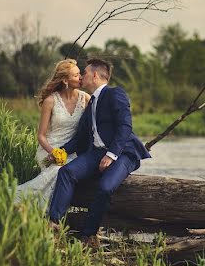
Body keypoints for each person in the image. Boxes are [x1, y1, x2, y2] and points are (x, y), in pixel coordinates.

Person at [47, 58, 151, 247]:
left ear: (95, 75)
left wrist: (111, 155)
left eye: (84, 73)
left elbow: (125, 126)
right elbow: (79, 139)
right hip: (96, 153)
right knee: (67, 172)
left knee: (104, 187)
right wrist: (58, 152)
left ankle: (89, 235)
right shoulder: (91, 103)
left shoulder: (115, 94)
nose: (81, 77)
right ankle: (54, 224)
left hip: (123, 153)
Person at [14, 58, 89, 207]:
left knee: (66, 171)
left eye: (80, 74)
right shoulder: (50, 101)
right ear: (65, 80)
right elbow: (41, 135)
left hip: (72, 151)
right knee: (58, 171)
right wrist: (53, 152)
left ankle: (41, 212)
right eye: (76, 75)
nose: (81, 77)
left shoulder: (85, 99)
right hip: (49, 149)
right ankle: (23, 203)